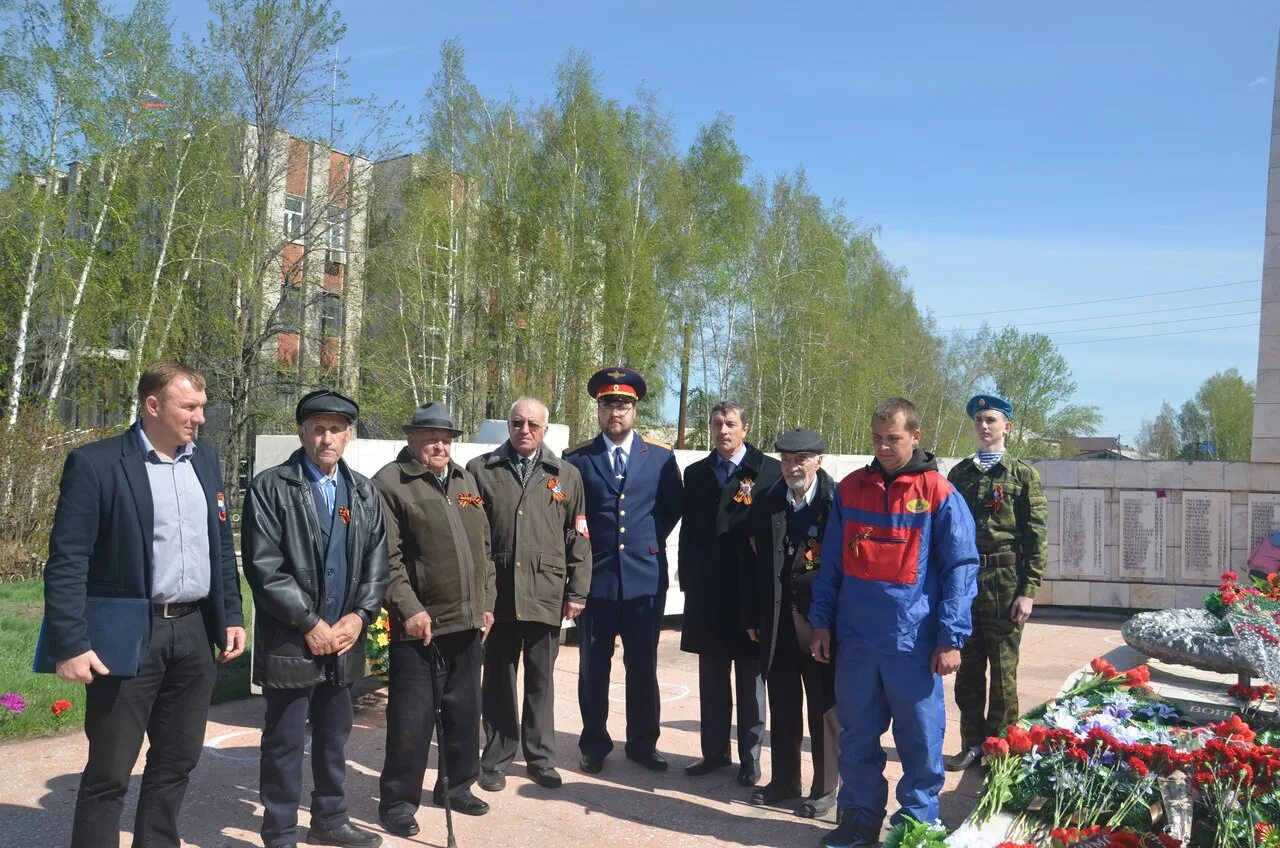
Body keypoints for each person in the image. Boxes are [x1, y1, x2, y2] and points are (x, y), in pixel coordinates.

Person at [43, 361, 246, 848]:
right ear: (153, 405)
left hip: (195, 632)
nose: (200, 417)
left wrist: (232, 615)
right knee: (111, 768)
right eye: (189, 406)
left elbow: (219, 545)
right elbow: (68, 561)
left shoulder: (205, 460)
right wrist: (70, 642)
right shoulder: (96, 464)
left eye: (202, 406)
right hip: (128, 636)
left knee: (177, 761)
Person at [809, 398, 978, 848]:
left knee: (921, 743)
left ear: (915, 437)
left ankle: (916, 826)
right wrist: (821, 622)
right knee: (858, 737)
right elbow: (830, 565)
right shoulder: (850, 490)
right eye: (877, 438)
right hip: (857, 642)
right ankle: (859, 820)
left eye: (894, 439)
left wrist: (950, 637)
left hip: (914, 645)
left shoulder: (939, 493)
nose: (883, 447)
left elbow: (961, 568)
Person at [241, 389, 389, 848]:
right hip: (293, 638)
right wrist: (310, 623)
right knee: (284, 741)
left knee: (334, 736)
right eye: (318, 428)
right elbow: (264, 569)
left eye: (336, 429)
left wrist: (360, 617)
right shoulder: (271, 486)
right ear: (303, 431)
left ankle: (329, 819)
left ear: (350, 435)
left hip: (343, 640)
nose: (327, 438)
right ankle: (280, 832)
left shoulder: (363, 491)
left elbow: (376, 564)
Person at [374, 402, 496, 836]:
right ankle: (398, 802)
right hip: (421, 627)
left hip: (467, 622)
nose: (439, 444)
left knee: (465, 711)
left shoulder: (465, 479)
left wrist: (486, 601)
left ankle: (457, 786)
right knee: (412, 719)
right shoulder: (391, 483)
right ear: (411, 439)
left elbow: (484, 549)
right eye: (430, 437)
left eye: (445, 437)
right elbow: (386, 561)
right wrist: (410, 610)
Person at [468, 397, 592, 792]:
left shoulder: (566, 474)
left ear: (545, 430)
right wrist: (479, 596)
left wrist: (578, 591)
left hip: (546, 592)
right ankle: (498, 756)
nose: (525, 429)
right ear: (508, 425)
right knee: (499, 678)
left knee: (541, 680)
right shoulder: (482, 470)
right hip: (499, 594)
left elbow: (580, 535)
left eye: (533, 424)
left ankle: (540, 757)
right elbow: (476, 538)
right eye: (518, 422)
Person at [564, 367, 684, 774]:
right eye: (608, 404)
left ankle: (642, 743)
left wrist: (643, 545)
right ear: (598, 408)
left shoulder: (661, 458)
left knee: (642, 666)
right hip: (596, 580)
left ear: (635, 409)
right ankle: (594, 744)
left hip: (644, 580)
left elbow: (669, 510)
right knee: (593, 668)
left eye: (624, 404)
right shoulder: (577, 459)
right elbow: (572, 517)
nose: (616, 411)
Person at [945, 393, 1047, 772]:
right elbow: (949, 531)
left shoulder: (1022, 475)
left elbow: (1036, 535)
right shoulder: (959, 475)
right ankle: (971, 743)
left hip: (1006, 579)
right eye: (979, 421)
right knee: (968, 668)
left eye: (991, 420)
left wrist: (1028, 591)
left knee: (1004, 670)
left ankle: (1000, 746)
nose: (984, 426)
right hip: (967, 580)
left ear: (1008, 427)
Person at [742, 427, 840, 818]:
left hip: (819, 622)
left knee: (823, 708)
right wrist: (752, 614)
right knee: (783, 704)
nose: (792, 466)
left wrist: (831, 622)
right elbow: (752, 563)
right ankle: (785, 780)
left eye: (801, 458)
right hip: (778, 620)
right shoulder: (767, 500)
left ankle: (824, 787)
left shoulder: (835, 502)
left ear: (819, 460)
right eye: (785, 458)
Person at [679, 401, 778, 785]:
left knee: (751, 683)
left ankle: (750, 759)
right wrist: (687, 581)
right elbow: (689, 533)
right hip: (707, 592)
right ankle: (714, 752)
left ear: (745, 428)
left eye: (731, 424)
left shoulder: (766, 471)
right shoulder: (696, 473)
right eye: (717, 423)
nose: (723, 430)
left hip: (748, 592)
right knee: (712, 681)